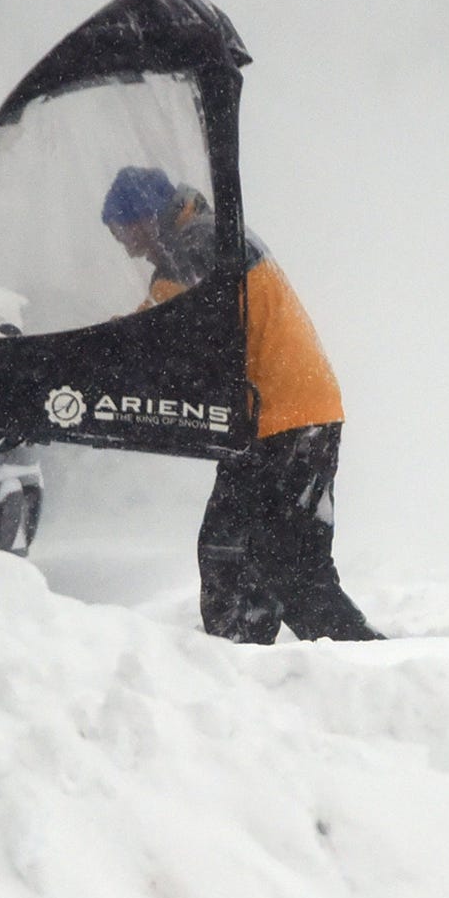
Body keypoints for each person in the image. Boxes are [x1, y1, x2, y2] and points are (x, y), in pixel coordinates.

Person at [100, 165, 383, 644]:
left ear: (146, 217)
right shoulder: (211, 237)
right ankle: (261, 656)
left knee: (250, 557)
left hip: (282, 418)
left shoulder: (192, 249)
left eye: (124, 233)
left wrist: (97, 351)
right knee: (272, 561)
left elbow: (155, 336)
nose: (128, 248)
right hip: (296, 412)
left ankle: (249, 656)